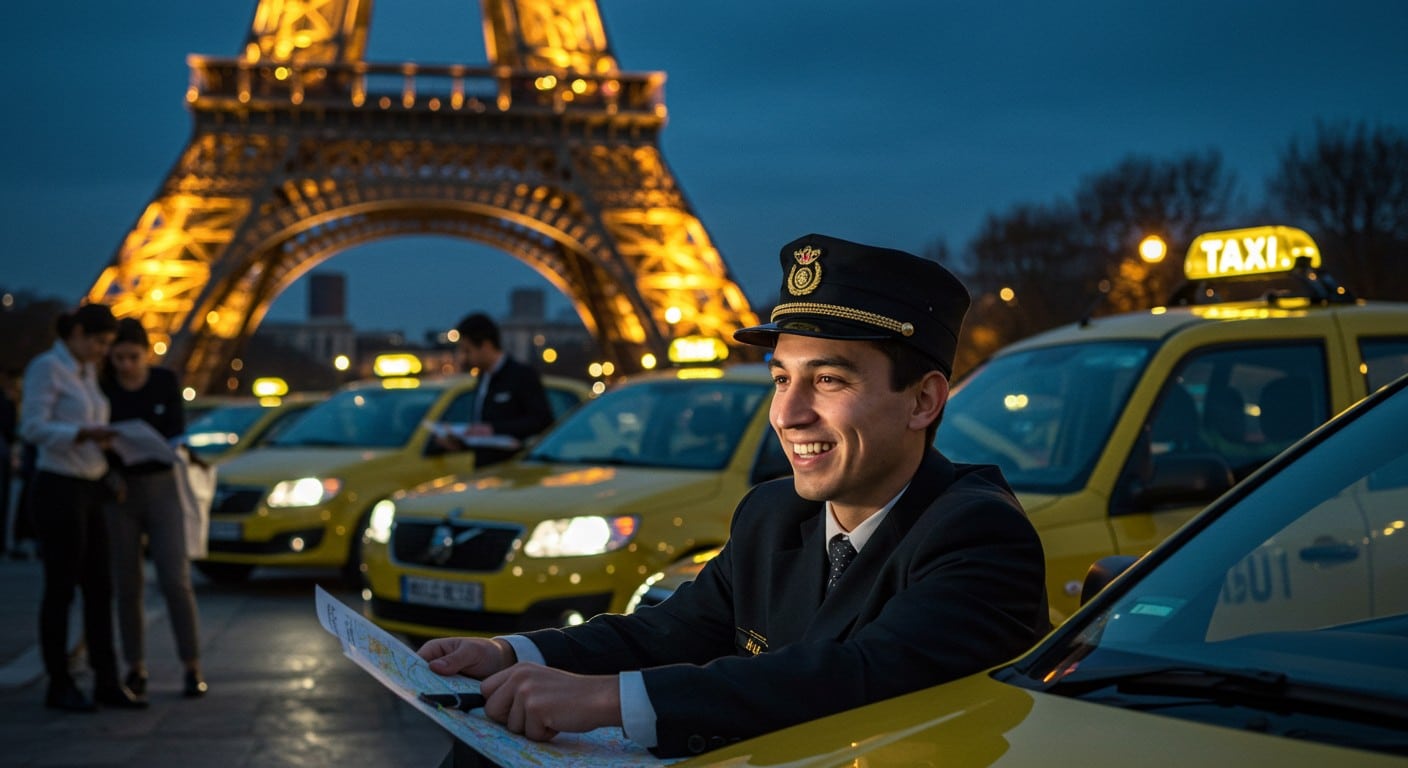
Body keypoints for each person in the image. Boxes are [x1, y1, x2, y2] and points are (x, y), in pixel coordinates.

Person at [419, 233, 1050, 758]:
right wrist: (509, 652)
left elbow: (857, 677)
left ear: (923, 400)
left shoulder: (978, 534)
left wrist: (602, 697)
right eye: (781, 379)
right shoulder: (773, 514)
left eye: (827, 379)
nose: (788, 414)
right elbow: (670, 630)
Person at [19, 303, 146, 711]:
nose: (103, 351)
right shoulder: (47, 368)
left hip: (91, 487)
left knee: (100, 587)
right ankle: (59, 682)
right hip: (58, 487)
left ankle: (106, 680)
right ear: (76, 333)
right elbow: (31, 427)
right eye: (99, 342)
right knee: (61, 588)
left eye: (108, 345)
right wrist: (82, 433)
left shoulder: (88, 371)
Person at [100, 318, 207, 699]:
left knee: (175, 580)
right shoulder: (104, 385)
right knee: (127, 585)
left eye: (132, 357)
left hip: (163, 486)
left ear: (147, 353)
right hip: (121, 489)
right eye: (119, 358)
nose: (125, 365)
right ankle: (135, 667)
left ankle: (191, 665)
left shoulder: (164, 381)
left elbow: (176, 430)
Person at [437, 312, 554, 467]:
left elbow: (542, 420)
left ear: (485, 345)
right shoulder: (483, 378)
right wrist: (461, 442)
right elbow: (483, 431)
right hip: (484, 470)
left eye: (467, 350)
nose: (464, 358)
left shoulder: (522, 376)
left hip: (513, 472)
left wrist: (493, 429)